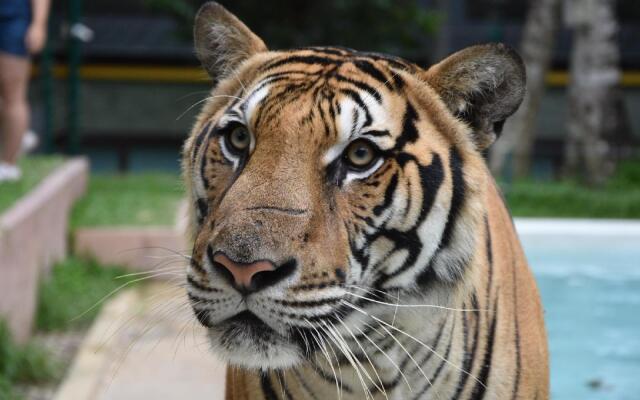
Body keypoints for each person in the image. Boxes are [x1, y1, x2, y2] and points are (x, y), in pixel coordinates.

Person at [0, 0, 50, 182]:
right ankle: (18, 134)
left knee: (12, 92)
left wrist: (38, 24)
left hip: (12, 17)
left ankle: (8, 165)